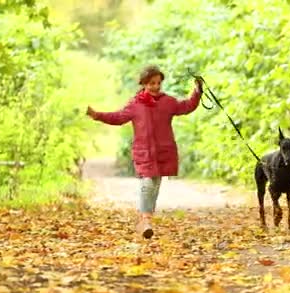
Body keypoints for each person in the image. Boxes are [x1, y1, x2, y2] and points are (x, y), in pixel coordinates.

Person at [86, 65, 203, 239]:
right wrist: (98, 115)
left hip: (163, 151)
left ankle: (146, 219)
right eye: (151, 83)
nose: (156, 86)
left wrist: (197, 92)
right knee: (147, 184)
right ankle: (145, 220)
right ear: (144, 83)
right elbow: (118, 117)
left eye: (158, 83)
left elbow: (186, 106)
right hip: (144, 152)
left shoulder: (168, 102)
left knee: (154, 186)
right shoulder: (135, 104)